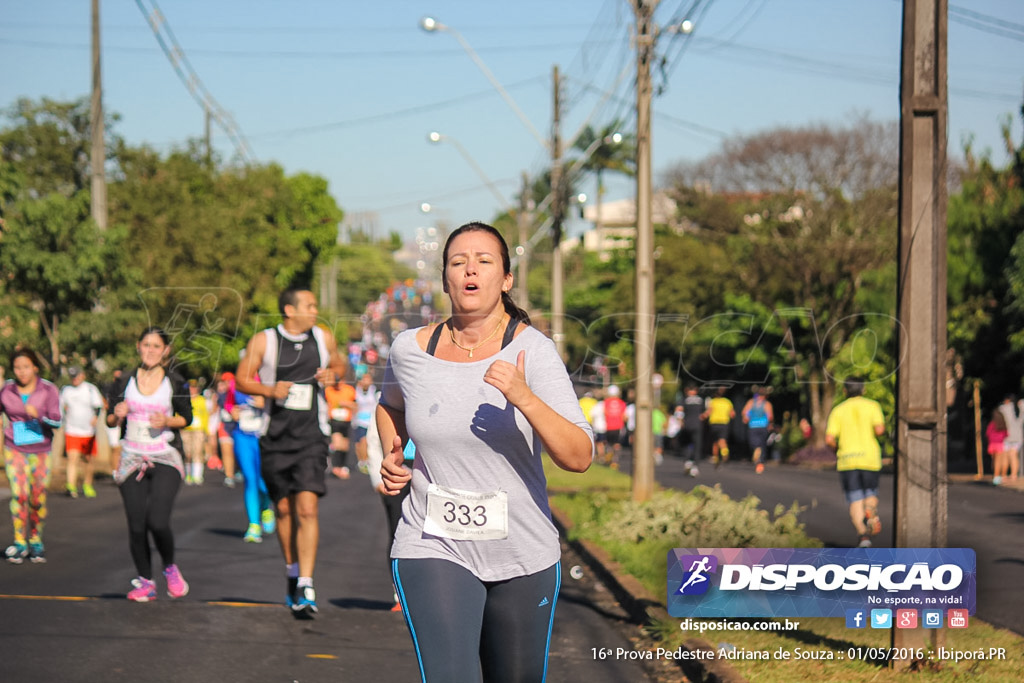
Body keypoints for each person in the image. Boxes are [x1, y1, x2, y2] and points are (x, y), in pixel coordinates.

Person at [377, 221, 594, 682]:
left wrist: (525, 397)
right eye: (458, 262)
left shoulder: (532, 352)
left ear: (506, 279)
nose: (470, 269)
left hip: (522, 550)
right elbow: (390, 405)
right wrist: (393, 453)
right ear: (445, 279)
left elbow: (578, 456)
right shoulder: (408, 351)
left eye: (484, 261)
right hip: (432, 541)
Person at [234, 288, 346, 616]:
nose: (315, 310)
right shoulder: (265, 341)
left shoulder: (323, 338)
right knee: (283, 510)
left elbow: (341, 365)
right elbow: (241, 379)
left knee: (307, 508)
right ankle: (292, 572)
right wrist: (269, 389)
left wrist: (333, 374)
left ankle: (307, 583)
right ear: (289, 309)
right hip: (275, 437)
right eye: (309, 306)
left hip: (312, 436)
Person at [106, 327, 192, 601]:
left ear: (165, 350)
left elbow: (187, 418)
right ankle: (146, 581)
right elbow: (109, 418)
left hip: (165, 454)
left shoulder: (175, 382)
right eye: (146, 345)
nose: (151, 350)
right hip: (132, 455)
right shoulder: (123, 382)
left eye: (157, 346)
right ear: (138, 347)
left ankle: (169, 567)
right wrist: (116, 415)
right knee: (136, 524)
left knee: (157, 520)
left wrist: (167, 420)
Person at [2, 348, 61, 564]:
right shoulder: (7, 389)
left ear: (35, 367)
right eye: (18, 367)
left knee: (37, 497)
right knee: (20, 495)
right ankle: (19, 542)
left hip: (41, 451)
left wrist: (41, 416)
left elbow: (57, 420)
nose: (22, 372)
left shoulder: (48, 389)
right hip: (14, 448)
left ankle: (35, 540)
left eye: (26, 367)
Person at [825, 377, 885, 548]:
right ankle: (871, 513)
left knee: (855, 499)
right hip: (869, 458)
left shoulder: (838, 410)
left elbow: (829, 439)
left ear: (845, 391)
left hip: (847, 460)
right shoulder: (873, 406)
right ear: (863, 390)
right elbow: (879, 429)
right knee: (870, 494)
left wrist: (839, 447)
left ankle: (863, 537)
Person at [230, 379, 276, 543]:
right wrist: (232, 411)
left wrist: (265, 403)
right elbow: (228, 405)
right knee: (250, 479)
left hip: (263, 437)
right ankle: (254, 525)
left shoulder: (267, 379)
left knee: (264, 481)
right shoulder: (235, 384)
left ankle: (265, 506)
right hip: (243, 436)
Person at [59, 366, 105, 498]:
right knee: (72, 458)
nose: (74, 379)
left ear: (82, 375)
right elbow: (60, 407)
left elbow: (98, 406)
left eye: (77, 376)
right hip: (72, 430)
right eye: (72, 376)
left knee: (88, 459)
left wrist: (95, 418)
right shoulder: (66, 390)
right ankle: (71, 486)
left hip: (88, 432)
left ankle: (87, 484)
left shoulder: (90, 389)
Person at [325, 377, 356, 479]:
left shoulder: (349, 390)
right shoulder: (328, 390)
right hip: (334, 421)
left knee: (344, 446)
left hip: (346, 421)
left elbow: (356, 405)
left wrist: (347, 404)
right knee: (337, 444)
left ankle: (342, 466)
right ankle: (336, 467)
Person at [741, 386, 774, 474]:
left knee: (753, 443)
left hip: (753, 426)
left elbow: (744, 412)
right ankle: (760, 464)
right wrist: (770, 423)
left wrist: (746, 417)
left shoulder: (751, 402)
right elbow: (770, 416)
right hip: (763, 426)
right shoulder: (767, 404)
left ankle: (756, 450)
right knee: (762, 444)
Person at [182, 379, 209, 485]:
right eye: (190, 387)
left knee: (197, 451)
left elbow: (206, 415)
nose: (192, 389)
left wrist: (206, 430)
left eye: (194, 387)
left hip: (198, 430)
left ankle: (197, 475)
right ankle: (188, 474)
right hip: (186, 429)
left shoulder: (202, 400)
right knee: (187, 452)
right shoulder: (184, 399)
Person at [351, 371, 378, 475]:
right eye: (364, 379)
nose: (366, 381)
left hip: (369, 422)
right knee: (358, 444)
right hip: (358, 421)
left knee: (364, 440)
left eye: (368, 379)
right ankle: (361, 461)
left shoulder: (374, 391)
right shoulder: (355, 391)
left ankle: (365, 461)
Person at [704, 386, 735, 467]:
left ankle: (716, 457)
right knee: (722, 440)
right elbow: (732, 414)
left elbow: (708, 412)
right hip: (724, 423)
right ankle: (725, 451)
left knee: (715, 441)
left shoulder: (713, 402)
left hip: (714, 423)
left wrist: (703, 416)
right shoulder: (727, 402)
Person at [997, 396, 1021, 484]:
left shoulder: (1004, 408)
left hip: (1006, 436)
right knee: (1014, 456)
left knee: (1005, 456)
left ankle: (1004, 475)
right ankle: (1014, 475)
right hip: (1018, 436)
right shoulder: (1020, 407)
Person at [603, 384, 627, 468]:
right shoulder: (622, 403)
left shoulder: (606, 402)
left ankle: (609, 455)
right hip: (618, 426)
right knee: (617, 444)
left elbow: (604, 413)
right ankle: (615, 461)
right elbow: (624, 417)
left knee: (608, 443)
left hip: (608, 426)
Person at [681, 384, 705, 465]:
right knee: (697, 444)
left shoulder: (685, 400)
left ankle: (687, 461)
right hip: (697, 425)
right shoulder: (701, 400)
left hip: (687, 425)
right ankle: (695, 464)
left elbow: (679, 411)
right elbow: (704, 413)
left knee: (687, 443)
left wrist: (680, 421)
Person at [986, 408, 1009, 486]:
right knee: (999, 461)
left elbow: (987, 433)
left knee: (994, 461)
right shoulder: (1002, 424)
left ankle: (995, 475)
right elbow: (1006, 434)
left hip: (992, 444)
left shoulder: (992, 424)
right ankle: (998, 476)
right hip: (999, 444)